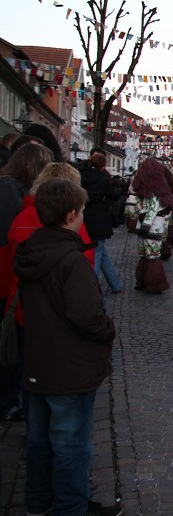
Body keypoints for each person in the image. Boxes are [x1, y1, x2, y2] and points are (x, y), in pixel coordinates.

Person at [14, 178, 121, 516]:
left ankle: (38, 500)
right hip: (69, 366)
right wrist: (108, 329)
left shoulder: (31, 251)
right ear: (72, 214)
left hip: (39, 361)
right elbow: (86, 316)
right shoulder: (71, 260)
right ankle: (71, 513)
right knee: (72, 442)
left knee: (41, 438)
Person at [5, 163, 96, 421]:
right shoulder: (72, 223)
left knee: (30, 371)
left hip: (24, 306)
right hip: (60, 313)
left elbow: (15, 263)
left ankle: (34, 422)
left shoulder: (22, 218)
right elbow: (85, 263)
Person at [0, 143, 53, 420]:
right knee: (11, 348)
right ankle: (8, 402)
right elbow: (11, 241)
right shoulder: (10, 192)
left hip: (11, 279)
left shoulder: (12, 189)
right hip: (8, 279)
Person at [80, 150, 122, 294]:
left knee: (102, 253)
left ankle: (115, 284)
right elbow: (114, 195)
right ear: (103, 166)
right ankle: (91, 288)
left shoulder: (82, 176)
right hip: (98, 219)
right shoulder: (102, 179)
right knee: (97, 254)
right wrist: (119, 189)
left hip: (84, 217)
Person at [130, 158, 173, 293]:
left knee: (152, 254)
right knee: (145, 254)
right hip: (145, 225)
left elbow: (152, 210)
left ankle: (154, 282)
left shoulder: (154, 193)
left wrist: (146, 224)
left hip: (152, 226)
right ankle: (144, 280)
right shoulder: (146, 192)